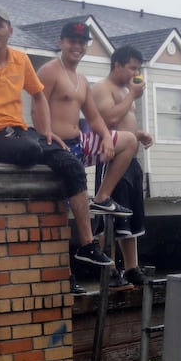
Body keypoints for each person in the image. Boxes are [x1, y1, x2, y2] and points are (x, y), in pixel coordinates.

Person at [0, 7, 116, 275]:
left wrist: (47, 130)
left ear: (9, 30)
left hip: (20, 131)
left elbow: (38, 96)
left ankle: (87, 244)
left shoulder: (20, 59)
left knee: (71, 163)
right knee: (30, 148)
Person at [39, 20, 134, 286]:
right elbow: (38, 106)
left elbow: (93, 116)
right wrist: (46, 133)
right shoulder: (49, 71)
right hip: (56, 146)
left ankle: (102, 197)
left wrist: (105, 137)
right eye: (72, 41)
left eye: (81, 43)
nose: (76, 47)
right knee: (62, 209)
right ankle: (67, 274)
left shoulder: (81, 80)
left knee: (127, 141)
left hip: (79, 142)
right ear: (61, 42)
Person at [91, 46, 155, 284]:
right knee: (110, 214)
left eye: (138, 68)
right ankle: (108, 269)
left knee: (130, 214)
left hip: (130, 159)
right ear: (117, 65)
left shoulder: (127, 91)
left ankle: (131, 267)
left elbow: (124, 124)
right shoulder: (102, 88)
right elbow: (109, 120)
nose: (135, 73)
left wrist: (138, 135)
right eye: (132, 67)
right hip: (111, 158)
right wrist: (132, 96)